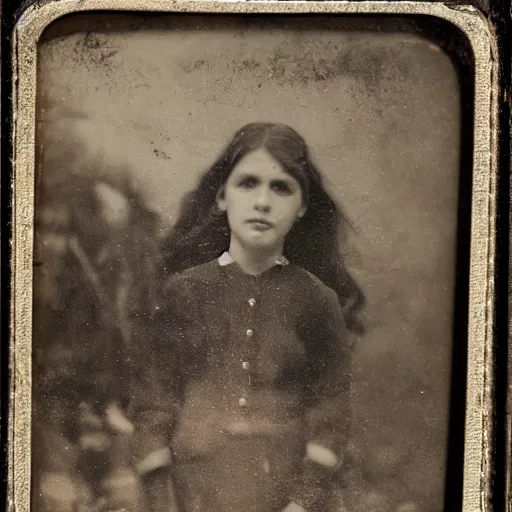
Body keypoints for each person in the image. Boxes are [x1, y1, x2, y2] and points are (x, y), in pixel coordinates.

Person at [131, 122, 365, 512]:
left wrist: (301, 504)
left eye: (281, 188)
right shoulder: (182, 292)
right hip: (190, 493)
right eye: (248, 184)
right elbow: (154, 405)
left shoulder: (317, 300)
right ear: (222, 197)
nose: (262, 202)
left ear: (302, 206)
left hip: (285, 496)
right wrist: (163, 502)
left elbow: (331, 415)